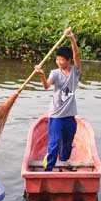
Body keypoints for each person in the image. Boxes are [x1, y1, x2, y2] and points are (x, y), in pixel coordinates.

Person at [34, 28, 82, 171]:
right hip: (56, 116)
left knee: (67, 143)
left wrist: (72, 39)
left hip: (69, 116)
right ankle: (48, 169)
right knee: (54, 143)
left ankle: (64, 163)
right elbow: (46, 86)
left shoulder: (75, 71)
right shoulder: (55, 73)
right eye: (57, 59)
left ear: (69, 61)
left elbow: (77, 55)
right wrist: (41, 74)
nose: (59, 62)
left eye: (62, 59)